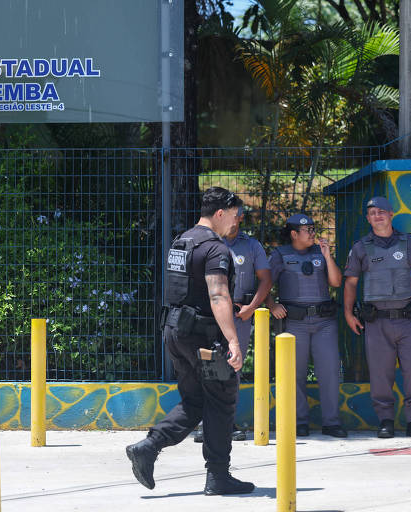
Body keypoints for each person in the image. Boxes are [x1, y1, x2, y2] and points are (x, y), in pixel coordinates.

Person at [126, 187, 255, 496]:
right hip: (204, 339)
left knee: (196, 401)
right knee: (222, 400)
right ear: (221, 213)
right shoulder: (215, 249)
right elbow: (218, 294)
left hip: (174, 332)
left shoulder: (182, 241)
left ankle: (149, 447)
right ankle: (218, 476)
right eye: (235, 216)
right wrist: (233, 342)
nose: (236, 223)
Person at [343, 196, 411, 439]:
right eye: (372, 213)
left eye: (381, 212)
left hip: (406, 320)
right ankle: (385, 421)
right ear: (368, 218)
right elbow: (350, 282)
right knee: (380, 373)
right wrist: (347, 312)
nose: (377, 216)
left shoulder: (409, 243)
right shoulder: (360, 247)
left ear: (391, 214)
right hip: (376, 322)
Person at [194, 205, 273, 443]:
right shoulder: (208, 243)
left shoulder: (251, 246)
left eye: (238, 214)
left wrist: (252, 308)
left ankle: (226, 421)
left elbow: (266, 280)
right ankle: (203, 423)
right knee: (207, 367)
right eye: (232, 213)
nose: (236, 218)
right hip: (209, 316)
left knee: (231, 368)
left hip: (240, 315)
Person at [266, 214, 347, 438]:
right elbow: (264, 284)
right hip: (294, 322)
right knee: (295, 373)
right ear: (294, 234)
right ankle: (299, 421)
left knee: (329, 371)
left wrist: (327, 257)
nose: (312, 233)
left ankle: (331, 422)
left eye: (313, 228)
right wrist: (272, 305)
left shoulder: (319, 253)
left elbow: (336, 282)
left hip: (324, 322)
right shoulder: (280, 255)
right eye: (307, 230)